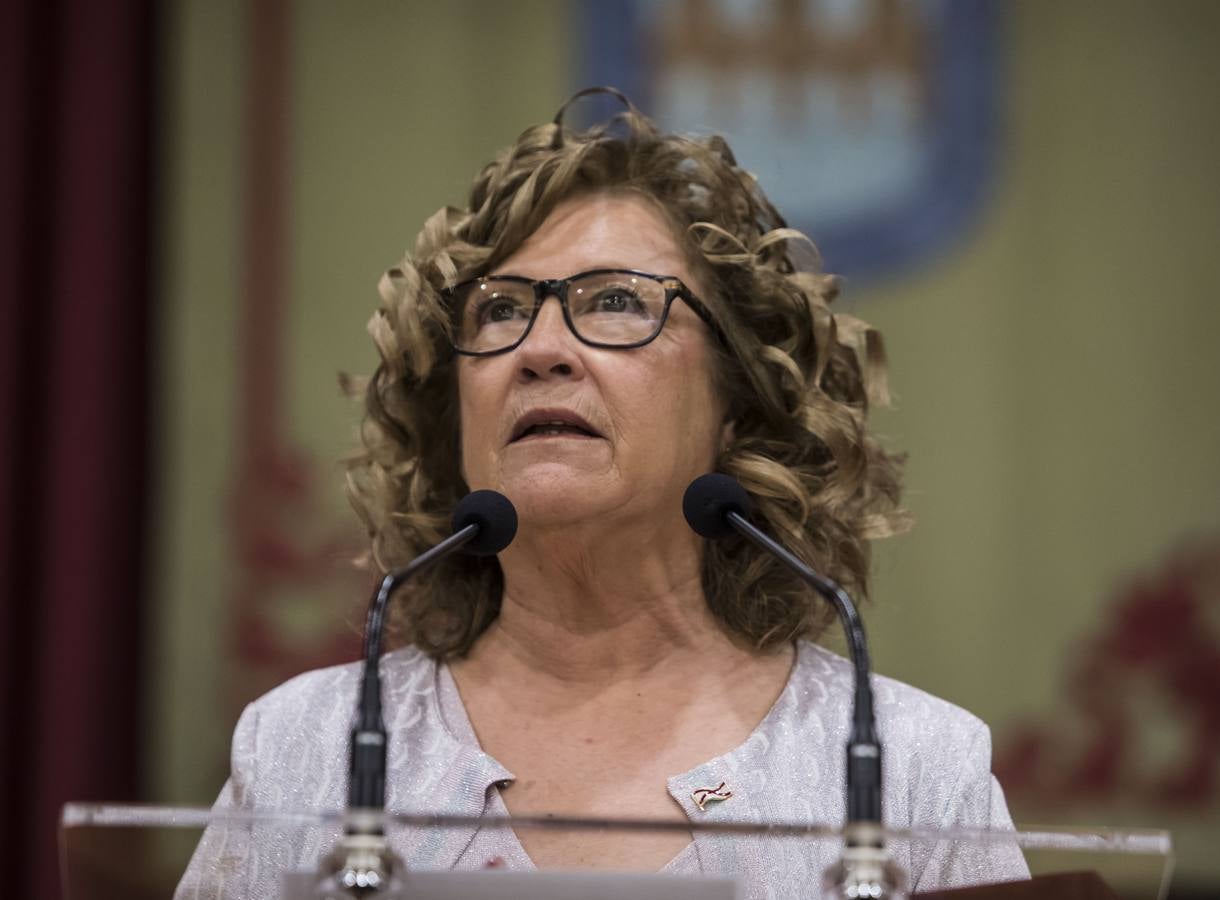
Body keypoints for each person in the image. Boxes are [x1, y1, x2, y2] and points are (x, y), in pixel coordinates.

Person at [176, 88, 1028, 898]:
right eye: (500, 310)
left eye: (617, 301)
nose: (541, 348)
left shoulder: (907, 770)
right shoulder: (305, 753)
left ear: (737, 403)